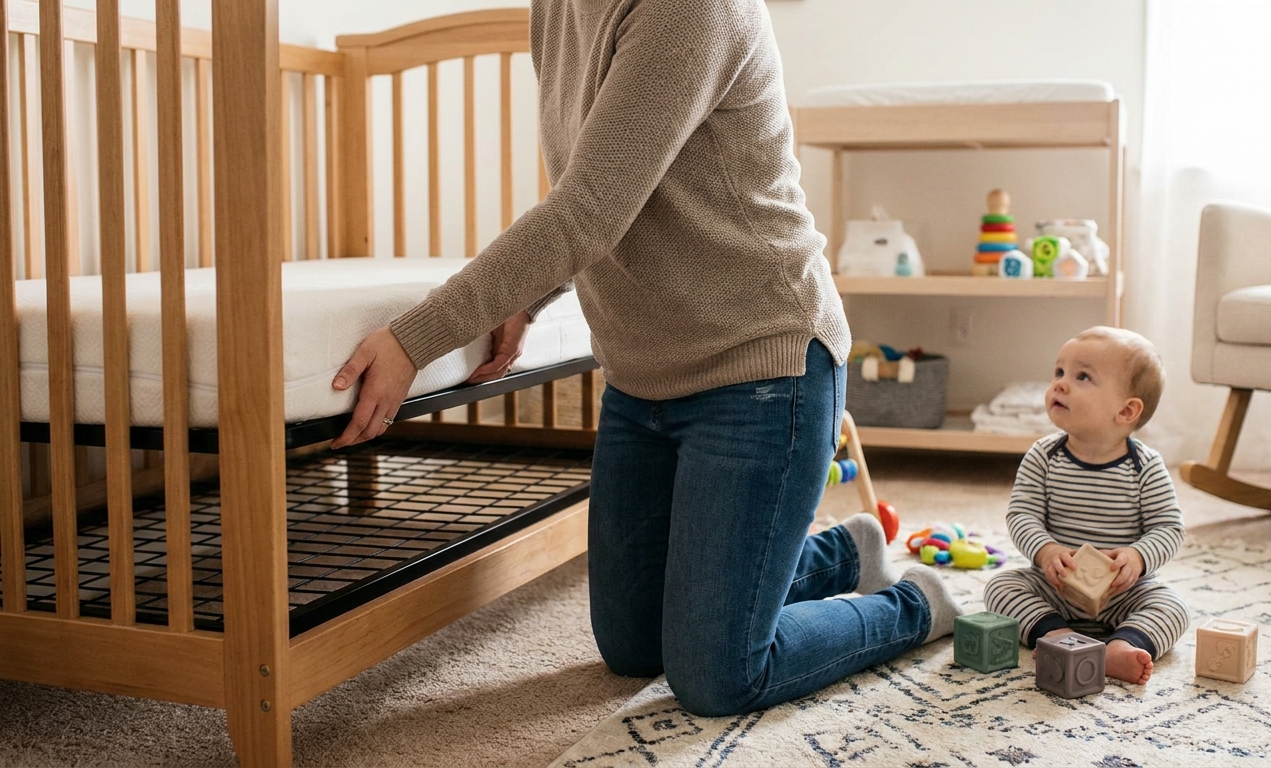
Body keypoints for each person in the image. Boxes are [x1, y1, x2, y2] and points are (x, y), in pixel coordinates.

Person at [326, 0, 962, 716]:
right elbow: (610, 182)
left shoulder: (694, 9)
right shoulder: (559, 8)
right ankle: (844, 554)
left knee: (718, 675)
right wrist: (528, 298)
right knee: (632, 645)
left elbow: (592, 206)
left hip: (761, 371)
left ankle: (915, 605)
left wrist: (416, 337)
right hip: (640, 380)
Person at [983, 326, 1188, 685]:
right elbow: (1022, 515)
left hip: (1123, 591)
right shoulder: (1043, 456)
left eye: (1082, 377)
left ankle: (1121, 647)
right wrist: (1047, 552)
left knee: (1173, 607)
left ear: (1126, 410)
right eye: (1059, 372)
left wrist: (1137, 558)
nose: (1060, 384)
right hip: (1056, 585)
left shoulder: (1145, 466)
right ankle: (1057, 635)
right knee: (1000, 588)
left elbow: (1168, 528)